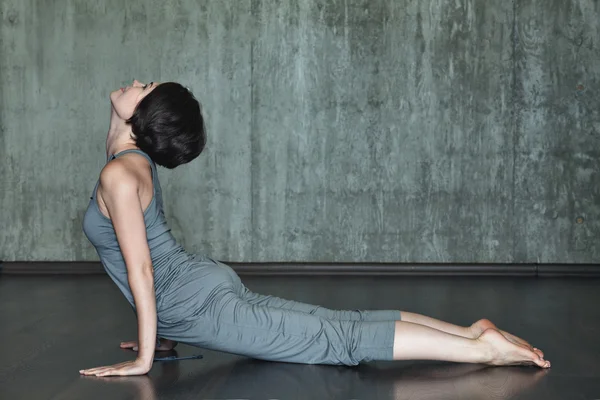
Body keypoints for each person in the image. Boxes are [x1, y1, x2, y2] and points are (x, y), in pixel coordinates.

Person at [79, 80, 551, 377]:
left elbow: (141, 268)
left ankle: (479, 351)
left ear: (142, 118)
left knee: (336, 341)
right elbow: (143, 259)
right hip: (198, 290)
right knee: (334, 324)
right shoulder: (129, 165)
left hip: (196, 302)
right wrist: (160, 335)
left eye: (144, 88)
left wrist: (145, 357)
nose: (136, 82)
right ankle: (469, 331)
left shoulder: (121, 171)